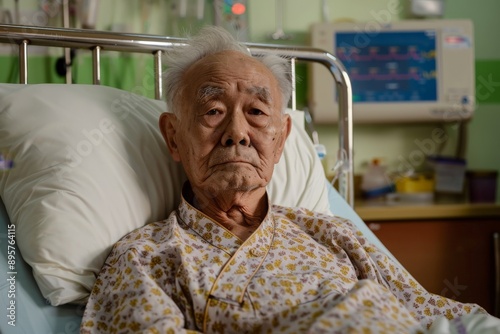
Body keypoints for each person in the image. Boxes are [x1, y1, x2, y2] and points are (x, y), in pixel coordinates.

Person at [80, 26, 497, 333]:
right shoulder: (144, 256)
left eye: (257, 113)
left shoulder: (334, 234)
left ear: (281, 141)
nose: (237, 132)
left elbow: (432, 313)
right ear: (173, 136)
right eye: (212, 111)